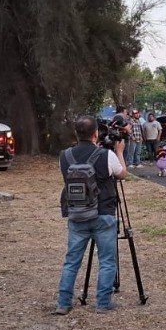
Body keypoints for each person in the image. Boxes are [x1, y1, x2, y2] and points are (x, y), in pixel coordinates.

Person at [56, 115, 127, 314]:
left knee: (72, 261)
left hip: (77, 214)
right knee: (107, 261)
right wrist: (120, 152)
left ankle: (63, 303)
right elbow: (122, 174)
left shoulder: (65, 156)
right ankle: (103, 303)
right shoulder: (106, 155)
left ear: (76, 133)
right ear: (96, 133)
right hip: (103, 213)